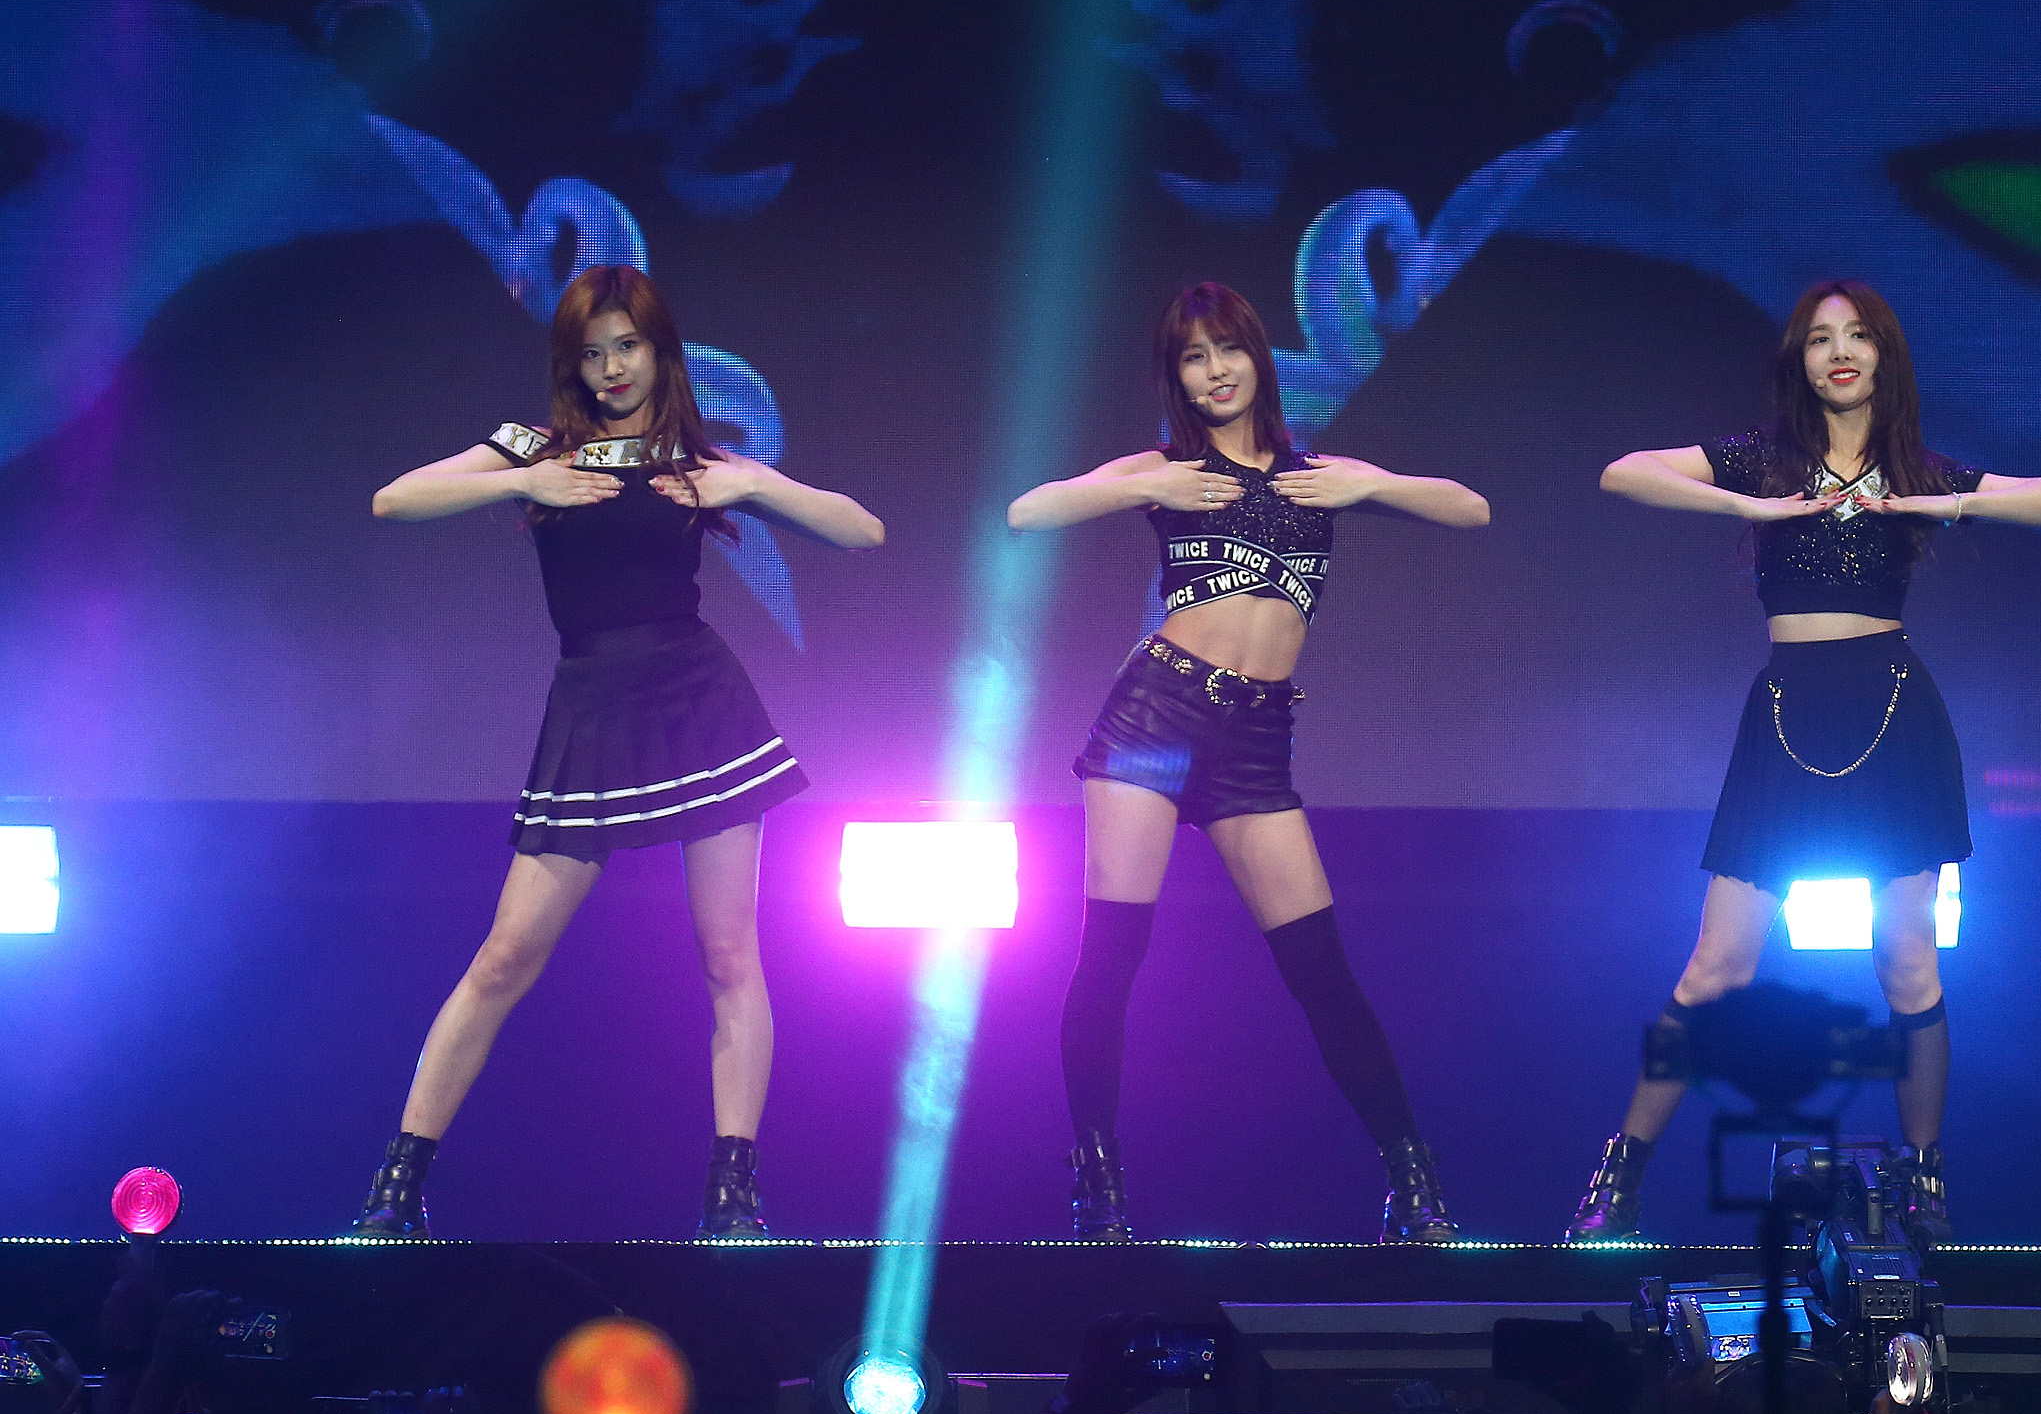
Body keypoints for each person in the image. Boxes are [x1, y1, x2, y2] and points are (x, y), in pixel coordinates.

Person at [348, 264, 883, 1240]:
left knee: (729, 955)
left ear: (658, 348)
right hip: (591, 706)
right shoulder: (535, 447)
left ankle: (733, 1195)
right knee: (505, 954)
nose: (612, 369)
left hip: (698, 703)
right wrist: (523, 480)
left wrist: (754, 481)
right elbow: (393, 500)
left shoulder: (694, 458)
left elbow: (863, 531)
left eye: (627, 346)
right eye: (592, 353)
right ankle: (397, 1188)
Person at [1561, 282, 2041, 1244]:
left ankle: (1923, 1179)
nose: (1839, 351)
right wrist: (1749, 505)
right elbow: (1620, 473)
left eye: (1857, 336)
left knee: (1907, 961)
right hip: (1785, 714)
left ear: (1884, 354)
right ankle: (1620, 1178)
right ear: (1799, 360)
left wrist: (1942, 501)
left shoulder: (1918, 469)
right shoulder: (1763, 458)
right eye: (1819, 338)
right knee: (1718, 963)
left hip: (1893, 713)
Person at [1006, 281, 1491, 1242]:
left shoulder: (1321, 473)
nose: (1215, 371)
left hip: (1258, 736)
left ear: (1257, 357)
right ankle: (1097, 1184)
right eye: (1193, 357)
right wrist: (1143, 486)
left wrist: (1369, 486)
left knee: (1319, 967)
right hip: (1156, 714)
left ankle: (1413, 1184)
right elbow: (1028, 513)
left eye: (1227, 349)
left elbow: (1471, 510)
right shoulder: (1168, 467)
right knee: (1114, 952)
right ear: (1176, 377)